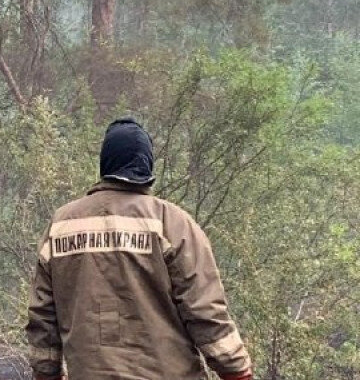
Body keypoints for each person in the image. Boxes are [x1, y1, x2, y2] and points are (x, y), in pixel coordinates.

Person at [25, 118, 253, 380]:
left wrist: (46, 374)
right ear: (147, 164)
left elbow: (42, 319)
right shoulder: (171, 223)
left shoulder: (61, 226)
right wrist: (238, 373)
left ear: (106, 164)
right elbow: (206, 313)